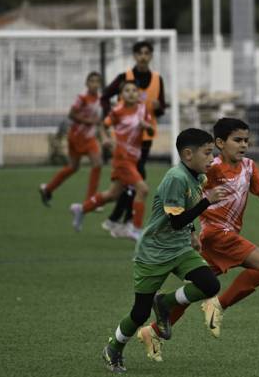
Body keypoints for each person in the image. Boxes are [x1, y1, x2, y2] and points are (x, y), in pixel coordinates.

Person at [136, 118, 259, 362]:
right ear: (220, 143)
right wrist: (191, 231)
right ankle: (218, 305)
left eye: (246, 140)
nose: (243, 145)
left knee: (196, 290)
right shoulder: (209, 167)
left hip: (221, 237)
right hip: (215, 234)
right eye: (237, 140)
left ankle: (153, 331)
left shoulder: (249, 166)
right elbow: (189, 199)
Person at [101, 128, 227, 373]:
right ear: (188, 154)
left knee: (209, 284)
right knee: (139, 314)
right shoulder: (175, 178)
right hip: (153, 253)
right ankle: (113, 348)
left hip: (179, 249)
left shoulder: (198, 178)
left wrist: (192, 234)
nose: (212, 158)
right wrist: (207, 202)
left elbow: (185, 211)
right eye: (207, 153)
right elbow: (176, 221)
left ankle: (165, 303)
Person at [100, 40, 167, 239]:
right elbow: (104, 96)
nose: (143, 56)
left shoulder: (157, 79)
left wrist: (158, 107)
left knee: (130, 181)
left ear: (151, 55)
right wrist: (111, 114)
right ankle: (124, 222)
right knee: (137, 181)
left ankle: (116, 220)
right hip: (125, 140)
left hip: (145, 136)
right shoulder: (125, 77)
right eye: (140, 53)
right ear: (134, 56)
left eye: (147, 53)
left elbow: (161, 108)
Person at [69, 81, 152, 232]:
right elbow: (103, 125)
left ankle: (81, 209)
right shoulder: (117, 111)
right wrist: (105, 138)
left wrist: (148, 127)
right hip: (122, 158)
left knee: (113, 194)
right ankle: (136, 230)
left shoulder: (142, 108)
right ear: (121, 95)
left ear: (138, 94)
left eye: (134, 90)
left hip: (133, 159)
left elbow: (150, 131)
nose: (131, 93)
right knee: (143, 189)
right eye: (127, 90)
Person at [39, 72, 103, 205]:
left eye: (97, 81)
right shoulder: (82, 97)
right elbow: (71, 114)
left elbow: (98, 117)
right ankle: (48, 188)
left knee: (97, 164)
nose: (94, 84)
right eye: (92, 81)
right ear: (87, 83)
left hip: (89, 138)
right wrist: (88, 121)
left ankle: (90, 200)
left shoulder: (99, 98)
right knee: (73, 167)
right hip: (77, 136)